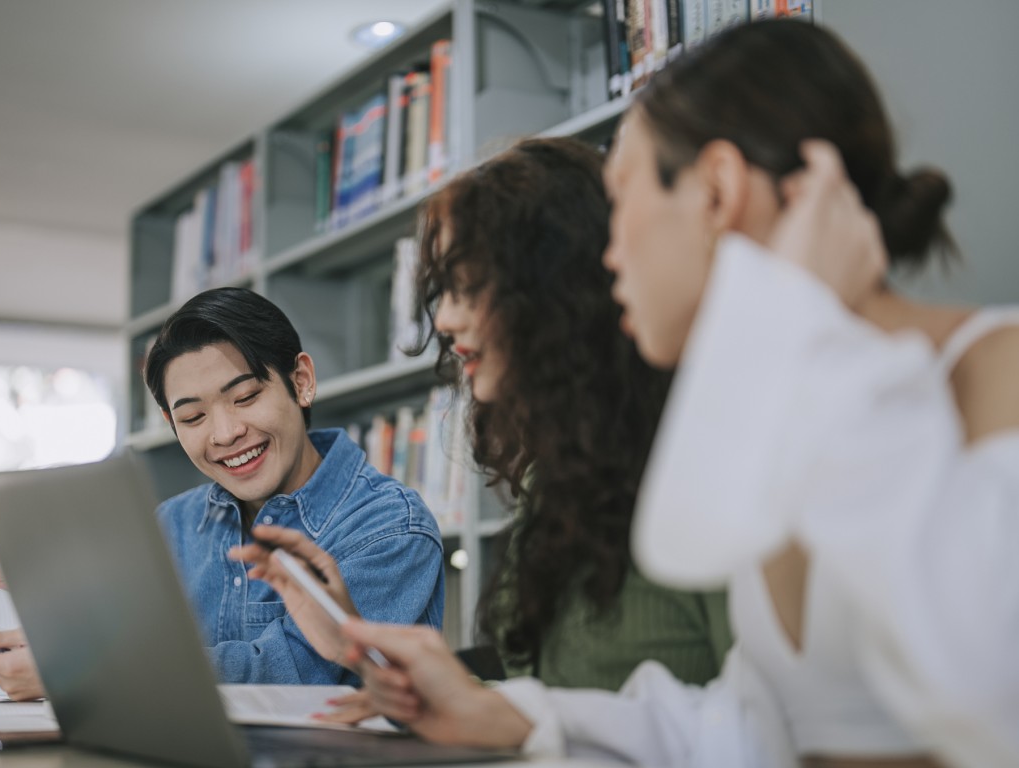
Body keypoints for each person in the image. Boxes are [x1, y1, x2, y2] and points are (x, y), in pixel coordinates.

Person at [265, 20, 1019, 768]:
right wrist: (513, 713)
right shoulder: (775, 411)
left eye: (623, 198)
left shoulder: (1012, 367)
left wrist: (809, 337)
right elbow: (756, 731)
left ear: (717, 191)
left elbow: (1005, 717)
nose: (607, 257)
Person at [239, 137, 731, 699]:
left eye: (468, 288)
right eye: (442, 290)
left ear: (561, 289)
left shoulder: (706, 464)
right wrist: (361, 651)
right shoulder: (562, 477)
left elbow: (764, 733)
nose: (445, 319)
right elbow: (542, 699)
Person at [0, 286, 446, 698]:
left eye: (246, 397)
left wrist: (85, 670)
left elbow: (293, 674)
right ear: (171, 423)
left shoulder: (390, 526)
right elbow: (132, 635)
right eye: (193, 417)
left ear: (301, 381)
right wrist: (50, 609)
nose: (225, 433)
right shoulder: (173, 524)